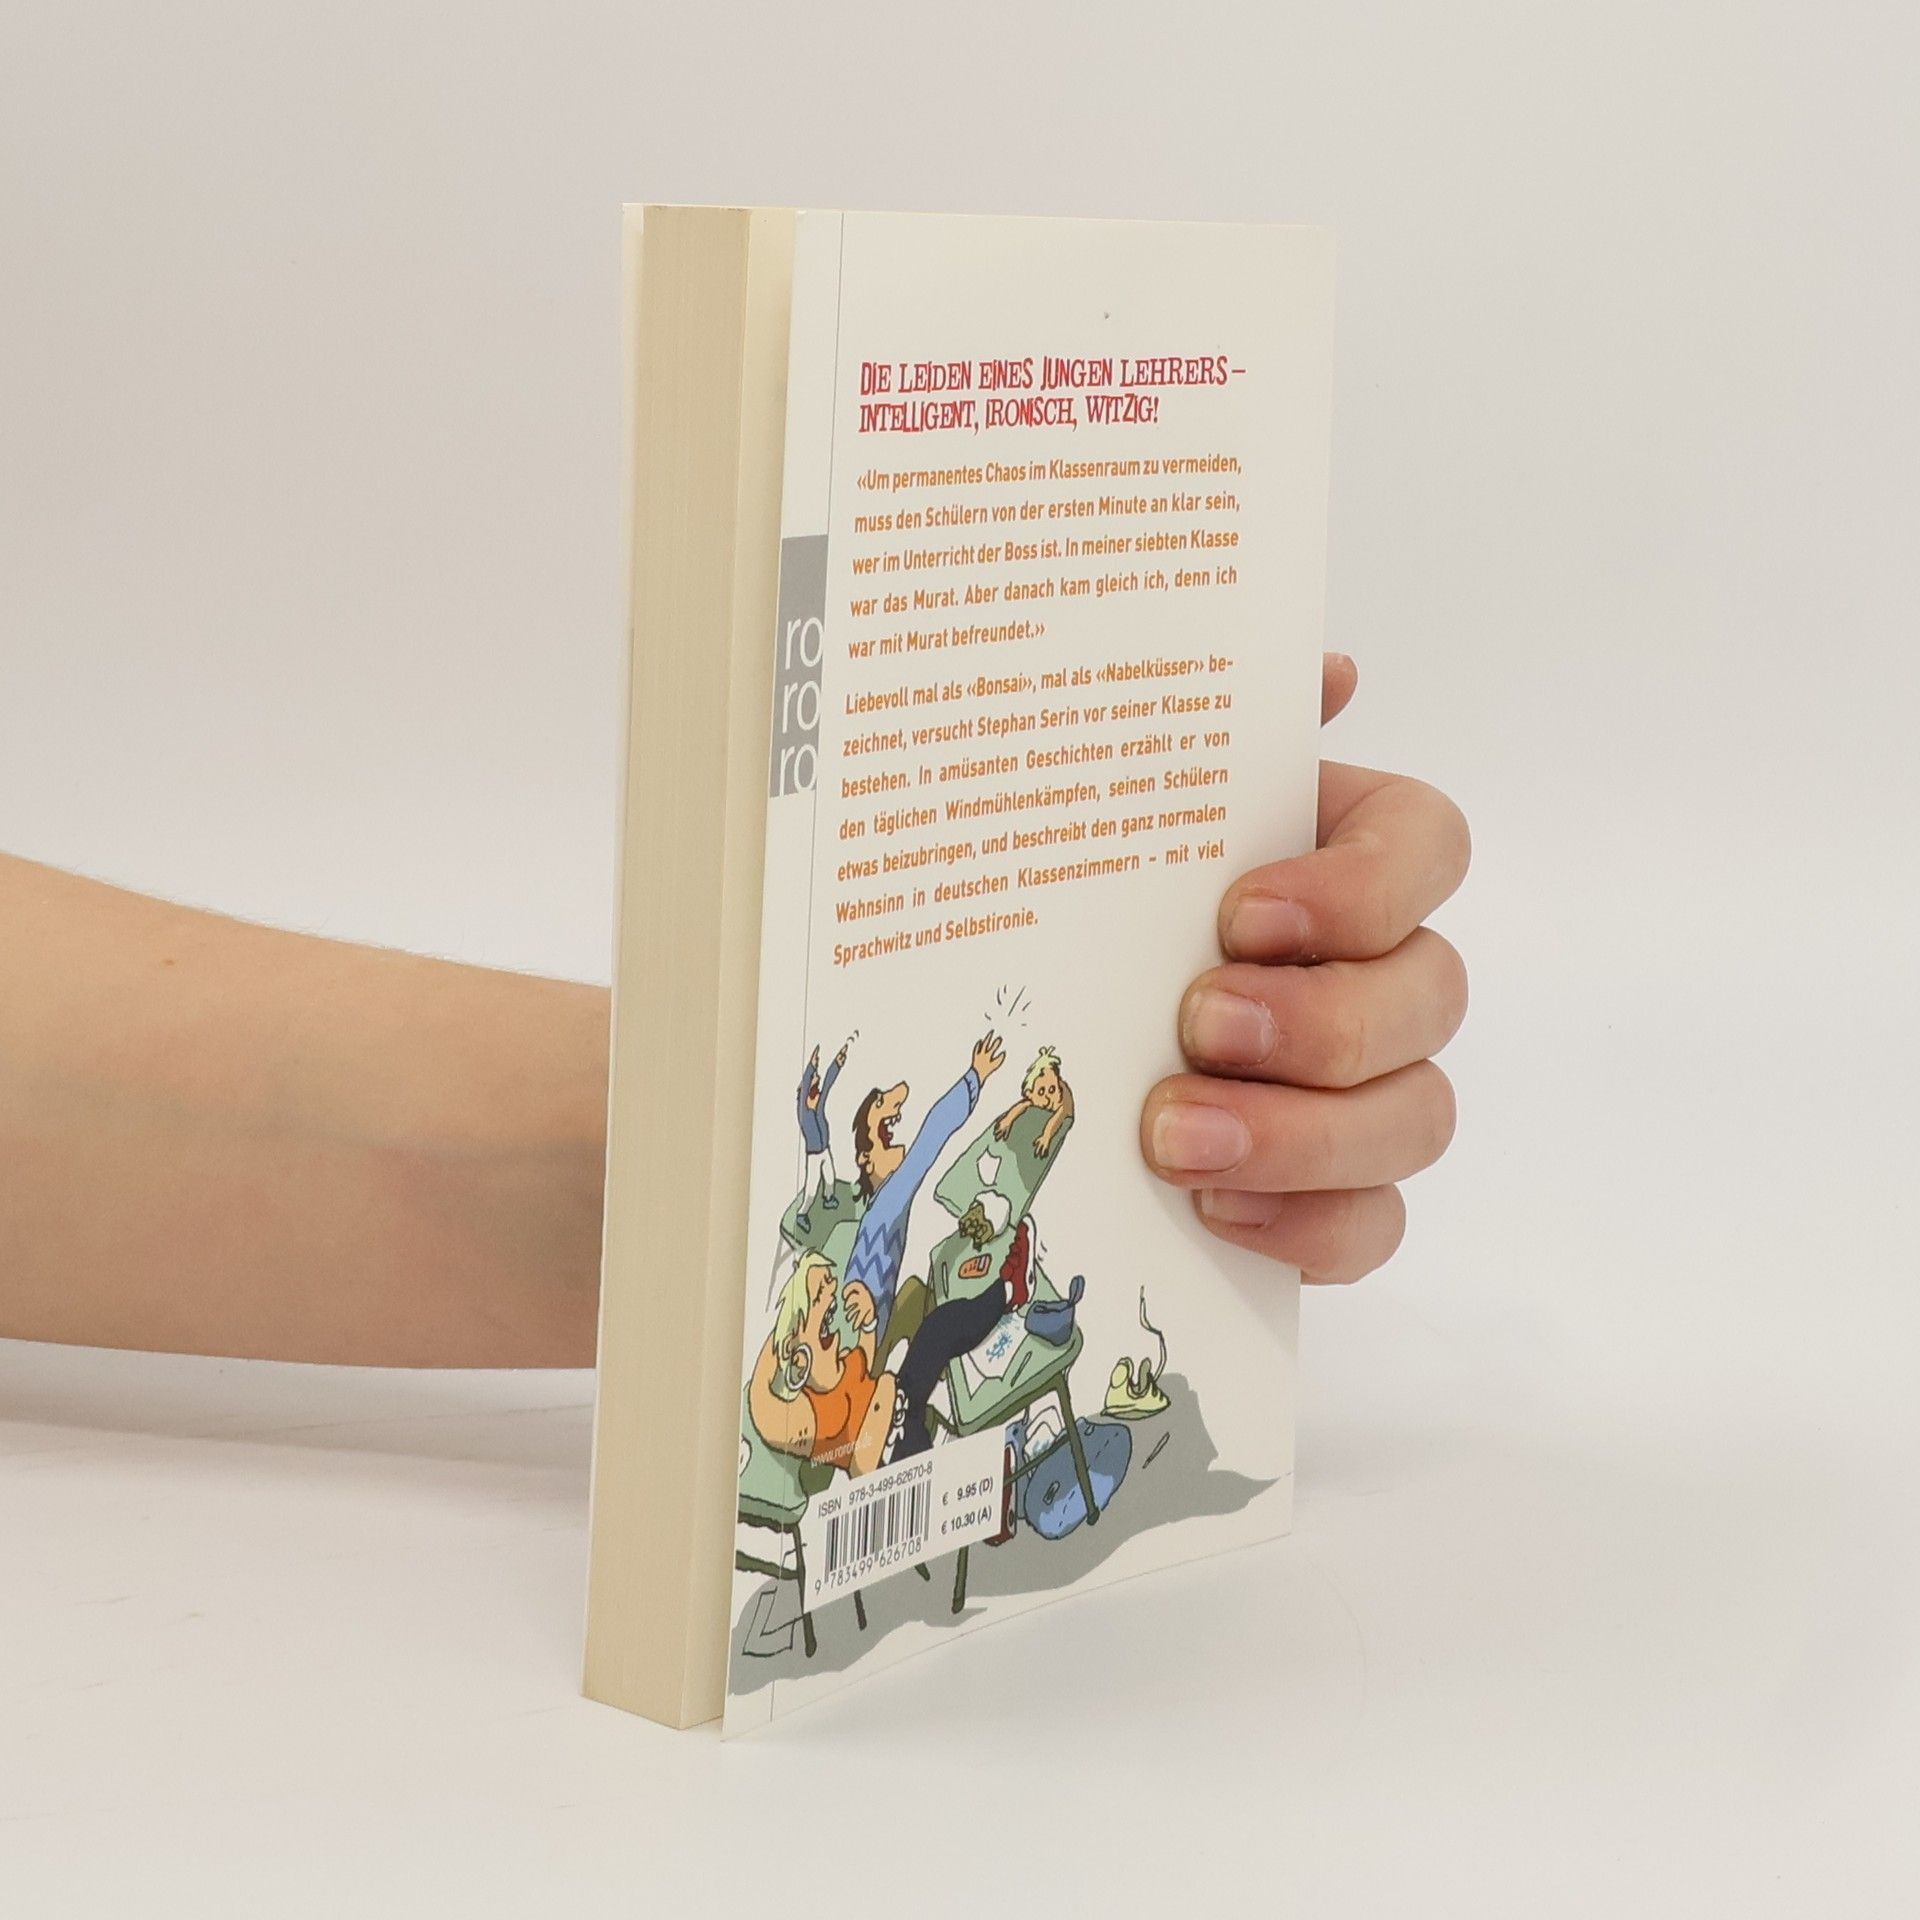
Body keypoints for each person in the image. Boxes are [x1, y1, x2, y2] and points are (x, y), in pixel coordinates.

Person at [0, 655, 1469, 1366]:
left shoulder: (867, 1182)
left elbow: (899, 1145)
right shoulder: (855, 1193)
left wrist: (1084, 907)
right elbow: (874, 1150)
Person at [844, 1030, 1005, 1343]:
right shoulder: (887, 1203)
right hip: (867, 1348)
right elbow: (931, 1136)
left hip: (875, 1329)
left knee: (917, 1293)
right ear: (866, 1160)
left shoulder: (878, 1209)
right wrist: (975, 1077)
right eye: (880, 1104)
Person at [793, 1041, 847, 1233]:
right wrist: (811, 1065)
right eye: (815, 1076)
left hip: (825, 1149)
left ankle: (828, 1198)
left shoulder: (818, 1101)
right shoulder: (804, 1110)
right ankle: (802, 1214)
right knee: (811, 1189)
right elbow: (806, 1084)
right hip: (814, 1155)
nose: (818, 1077)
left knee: (830, 1178)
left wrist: (838, 1063)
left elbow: (828, 1083)